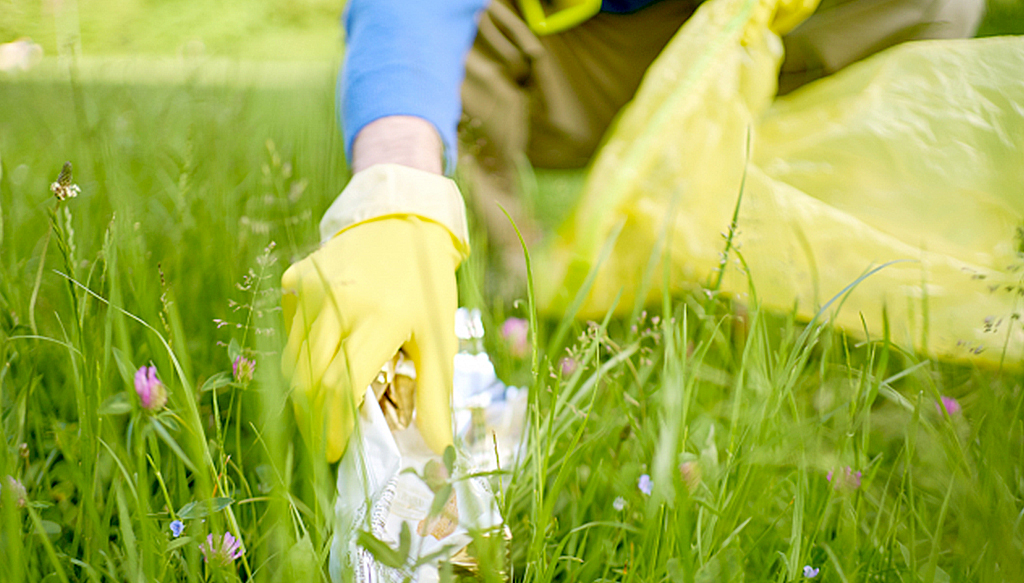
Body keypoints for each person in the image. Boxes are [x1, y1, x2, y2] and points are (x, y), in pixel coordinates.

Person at [281, 0, 985, 462]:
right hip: (583, 33)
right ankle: (492, 291)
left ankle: (805, 303)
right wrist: (395, 187)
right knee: (441, 68)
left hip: (786, 32)